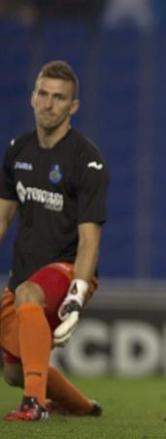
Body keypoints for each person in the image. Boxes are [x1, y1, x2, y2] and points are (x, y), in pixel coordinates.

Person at [0, 60, 108, 421]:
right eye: (43, 94)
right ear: (32, 98)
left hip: (69, 269)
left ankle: (34, 406)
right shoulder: (18, 151)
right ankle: (82, 406)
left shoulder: (86, 160)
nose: (49, 104)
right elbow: (2, 217)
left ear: (72, 107)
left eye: (59, 98)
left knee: (30, 293)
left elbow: (90, 238)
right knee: (13, 372)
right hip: (25, 274)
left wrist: (77, 294)